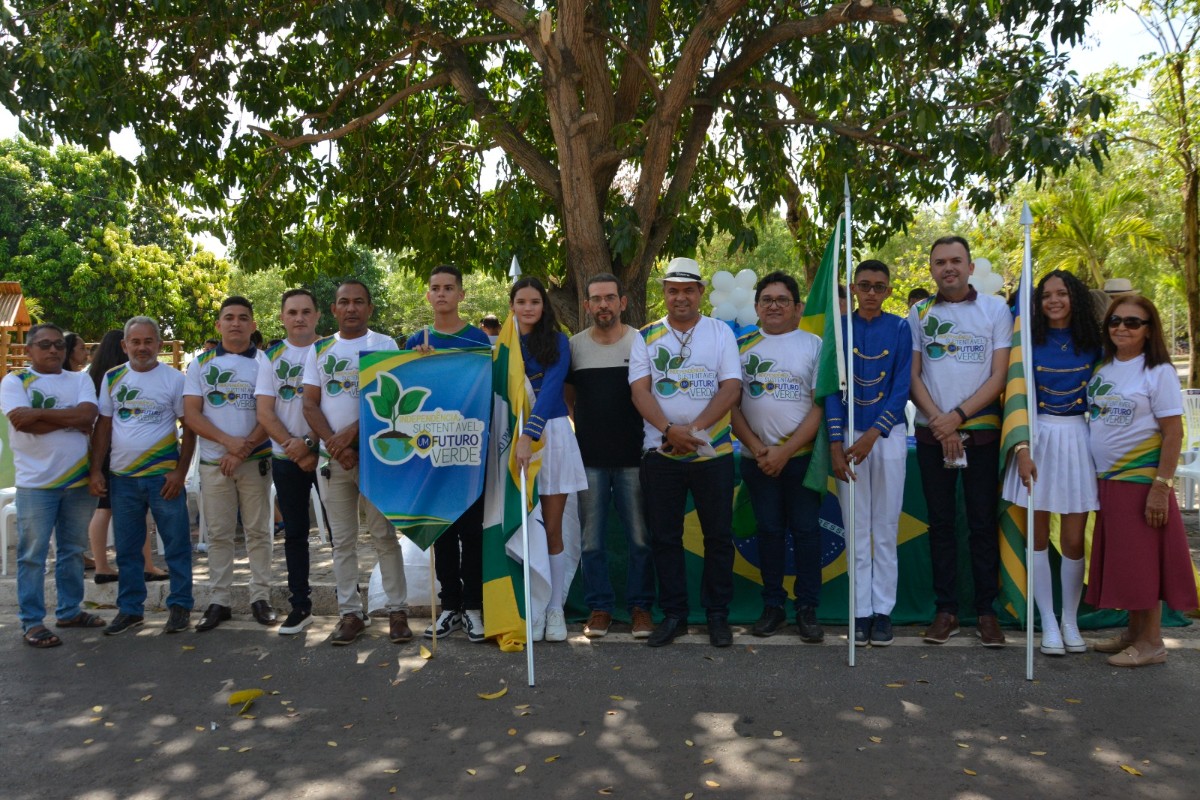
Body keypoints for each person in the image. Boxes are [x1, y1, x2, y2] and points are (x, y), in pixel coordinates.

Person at [629, 258, 741, 648]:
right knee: (665, 537)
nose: (680, 297)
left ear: (700, 292)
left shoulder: (720, 332)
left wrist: (693, 432)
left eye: (688, 290)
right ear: (664, 293)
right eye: (673, 290)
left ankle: (717, 615)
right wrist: (668, 431)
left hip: (713, 451)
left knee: (719, 537)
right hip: (660, 452)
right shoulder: (645, 336)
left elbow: (730, 388)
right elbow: (640, 391)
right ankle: (674, 614)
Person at [908, 236, 1012, 647]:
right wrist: (940, 422)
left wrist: (959, 418)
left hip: (982, 432)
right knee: (941, 526)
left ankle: (986, 612)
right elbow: (914, 375)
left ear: (970, 267)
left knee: (983, 524)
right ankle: (945, 610)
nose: (947, 268)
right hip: (933, 435)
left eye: (955, 261)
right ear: (931, 269)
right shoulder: (919, 312)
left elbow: (999, 376)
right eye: (939, 262)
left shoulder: (995, 309)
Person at [1086, 294, 1196, 667]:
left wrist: (1161, 487)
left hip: (1141, 480)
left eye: (1133, 322)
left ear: (1149, 331)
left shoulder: (1158, 371)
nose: (1121, 327)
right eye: (1115, 321)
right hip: (1110, 480)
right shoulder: (1104, 368)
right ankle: (1134, 633)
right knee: (1129, 560)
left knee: (1144, 561)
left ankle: (1152, 643)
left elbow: (1173, 433)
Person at [303, 280, 412, 646]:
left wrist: (350, 435)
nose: (351, 308)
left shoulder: (384, 345)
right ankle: (350, 613)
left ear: (370, 308)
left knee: (384, 536)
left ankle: (397, 612)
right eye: (344, 302)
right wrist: (337, 446)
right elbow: (309, 405)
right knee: (342, 541)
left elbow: (389, 403)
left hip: (377, 459)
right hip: (333, 462)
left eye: (359, 302)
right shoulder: (319, 349)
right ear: (333, 309)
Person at [1001, 270, 1102, 656]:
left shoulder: (1095, 343)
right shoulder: (1027, 341)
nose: (1054, 301)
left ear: (1075, 297)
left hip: (1079, 438)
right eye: (1046, 295)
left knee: (1074, 540)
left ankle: (1070, 620)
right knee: (1038, 537)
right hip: (1037, 438)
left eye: (1061, 294)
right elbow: (1016, 398)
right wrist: (1022, 448)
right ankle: (1047, 623)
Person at [731, 272, 824, 642]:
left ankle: (807, 609)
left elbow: (820, 406)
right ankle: (773, 606)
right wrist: (757, 449)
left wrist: (785, 451)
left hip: (800, 458)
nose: (773, 306)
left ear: (798, 307)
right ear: (756, 307)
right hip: (757, 459)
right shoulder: (739, 344)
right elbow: (730, 404)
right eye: (766, 299)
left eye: (782, 300)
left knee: (806, 533)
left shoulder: (815, 345)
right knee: (768, 532)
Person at [92, 317, 196, 635]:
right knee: (127, 547)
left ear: (159, 346)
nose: (142, 347)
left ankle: (179, 607)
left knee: (176, 544)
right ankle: (130, 610)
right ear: (124, 346)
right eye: (135, 342)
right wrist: (96, 469)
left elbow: (189, 427)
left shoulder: (175, 380)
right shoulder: (112, 378)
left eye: (148, 341)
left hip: (164, 477)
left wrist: (180, 472)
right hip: (122, 479)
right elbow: (104, 427)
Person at [405, 265, 492, 643]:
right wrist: (420, 367)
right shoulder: (414, 341)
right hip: (431, 454)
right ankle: (449, 607)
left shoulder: (479, 342)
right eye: (435, 288)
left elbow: (490, 394)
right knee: (441, 532)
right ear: (427, 295)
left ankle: (473, 607)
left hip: (470, 451)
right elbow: (406, 394)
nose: (441, 294)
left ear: (461, 295)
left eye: (449, 288)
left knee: (472, 534)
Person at [2, 323, 104, 647]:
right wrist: (68, 418)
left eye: (59, 344)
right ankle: (32, 622)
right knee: (32, 556)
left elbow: (88, 416)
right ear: (30, 350)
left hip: (77, 480)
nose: (53, 350)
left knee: (73, 551)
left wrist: (42, 417)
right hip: (36, 484)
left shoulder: (79, 378)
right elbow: (20, 420)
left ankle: (69, 611)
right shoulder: (15, 380)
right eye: (44, 345)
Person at [827, 260, 912, 647]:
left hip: (888, 435)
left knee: (885, 529)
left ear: (890, 290)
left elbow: (900, 385)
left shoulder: (899, 327)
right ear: (854, 288)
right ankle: (859, 612)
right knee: (856, 529)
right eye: (865, 285)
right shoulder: (839, 329)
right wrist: (836, 442)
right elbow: (830, 388)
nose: (872, 292)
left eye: (879, 286)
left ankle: (883, 612)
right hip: (848, 433)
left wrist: (875, 432)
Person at [565, 273, 655, 640]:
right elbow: (570, 399)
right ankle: (599, 608)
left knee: (640, 539)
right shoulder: (573, 347)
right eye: (596, 299)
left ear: (623, 303)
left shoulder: (642, 342)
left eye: (610, 298)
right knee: (591, 541)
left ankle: (640, 609)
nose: (603, 305)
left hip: (635, 457)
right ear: (587, 305)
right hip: (588, 460)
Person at [183, 296, 276, 631]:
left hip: (254, 461)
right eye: (229, 317)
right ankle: (219, 600)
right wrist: (227, 445)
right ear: (218, 324)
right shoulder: (200, 364)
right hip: (213, 463)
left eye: (243, 318)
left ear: (252, 324)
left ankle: (260, 597)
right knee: (219, 533)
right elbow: (192, 414)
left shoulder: (265, 362)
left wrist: (242, 450)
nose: (236, 323)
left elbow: (269, 413)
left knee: (257, 531)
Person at [509, 276, 587, 642]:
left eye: (535, 302)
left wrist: (530, 434)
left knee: (552, 528)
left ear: (544, 306)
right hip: (512, 439)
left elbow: (553, 388)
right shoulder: (502, 346)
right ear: (512, 306)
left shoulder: (558, 342)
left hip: (550, 435)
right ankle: (532, 607)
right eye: (521, 301)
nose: (528, 308)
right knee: (520, 528)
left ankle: (555, 606)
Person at [255, 289, 322, 635]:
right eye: (292, 312)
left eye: (306, 311)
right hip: (286, 459)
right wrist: (293, 447)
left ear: (317, 316)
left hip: (329, 457)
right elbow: (264, 411)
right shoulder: (269, 357)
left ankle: (352, 607)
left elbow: (341, 408)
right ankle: (301, 605)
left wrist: (311, 445)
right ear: (282, 317)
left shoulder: (329, 351)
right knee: (295, 534)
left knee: (344, 535)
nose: (299, 318)